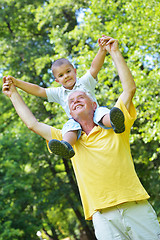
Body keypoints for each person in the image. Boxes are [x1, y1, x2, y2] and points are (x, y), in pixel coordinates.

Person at [3, 36, 160, 240]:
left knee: (110, 116)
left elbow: (128, 89)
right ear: (68, 110)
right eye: (71, 102)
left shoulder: (113, 127)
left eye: (81, 98)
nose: (75, 99)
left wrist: (112, 51)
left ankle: (107, 116)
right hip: (101, 215)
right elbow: (32, 124)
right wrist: (14, 91)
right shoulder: (70, 136)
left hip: (135, 204)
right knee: (65, 141)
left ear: (93, 103)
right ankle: (65, 149)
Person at [6, 35, 125, 159]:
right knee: (69, 127)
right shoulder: (58, 93)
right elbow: (38, 90)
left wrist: (102, 50)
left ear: (75, 71)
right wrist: (17, 83)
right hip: (76, 121)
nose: (66, 76)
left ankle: (115, 122)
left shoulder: (84, 82)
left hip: (94, 114)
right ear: (57, 80)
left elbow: (94, 67)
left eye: (68, 72)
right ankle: (66, 146)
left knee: (102, 112)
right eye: (61, 75)